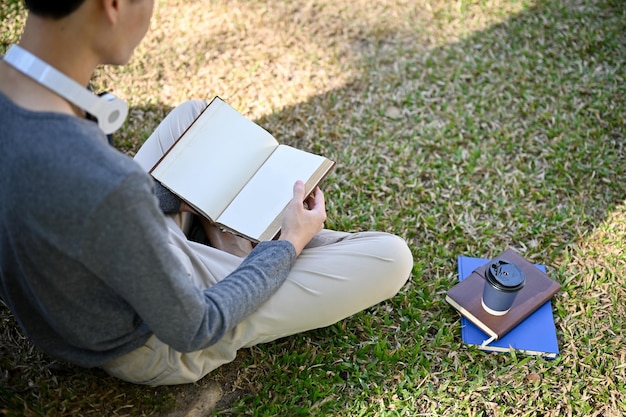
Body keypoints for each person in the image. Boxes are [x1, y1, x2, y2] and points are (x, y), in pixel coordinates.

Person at [0, 0, 413, 386]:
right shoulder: (103, 181)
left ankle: (225, 232)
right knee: (390, 258)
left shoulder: (20, 94)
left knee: (193, 117)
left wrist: (170, 200)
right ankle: (244, 247)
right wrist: (288, 244)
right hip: (148, 338)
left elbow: (78, 208)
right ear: (112, 5)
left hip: (98, 276)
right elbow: (195, 326)